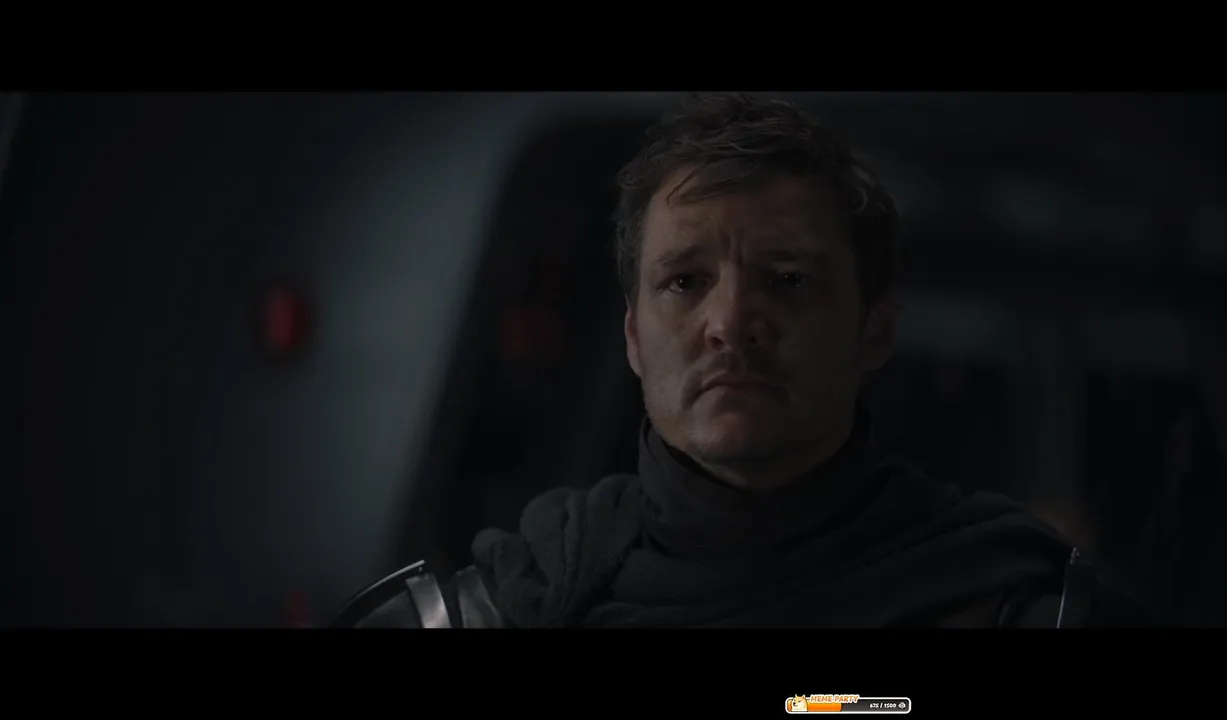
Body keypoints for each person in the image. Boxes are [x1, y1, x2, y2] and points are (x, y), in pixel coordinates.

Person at [332, 92, 1159, 629]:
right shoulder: (499, 611)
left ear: (874, 331)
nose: (730, 323)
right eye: (685, 282)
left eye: (788, 280)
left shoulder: (1018, 607)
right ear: (634, 336)